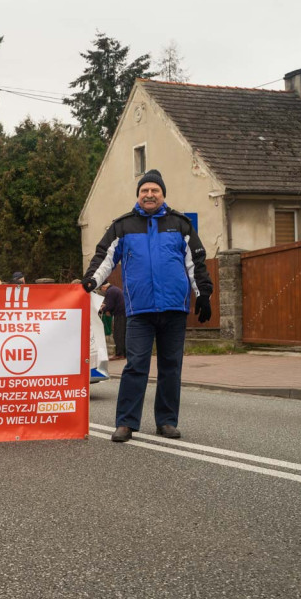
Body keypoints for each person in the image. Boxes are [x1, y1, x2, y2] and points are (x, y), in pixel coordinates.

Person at [81, 169, 212, 442]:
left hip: (174, 310)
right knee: (135, 366)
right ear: (138, 195)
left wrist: (203, 294)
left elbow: (196, 262)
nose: (149, 195)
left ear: (163, 194)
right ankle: (126, 423)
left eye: (155, 190)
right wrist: (92, 280)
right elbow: (104, 256)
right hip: (139, 311)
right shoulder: (123, 226)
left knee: (170, 367)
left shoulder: (181, 225)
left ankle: (167, 421)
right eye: (145, 190)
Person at [100, 281, 127, 360]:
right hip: (123, 313)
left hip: (120, 314)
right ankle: (124, 353)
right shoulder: (115, 289)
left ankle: (120, 354)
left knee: (118, 334)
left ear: (103, 287)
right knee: (123, 333)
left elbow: (109, 305)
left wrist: (102, 309)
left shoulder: (110, 291)